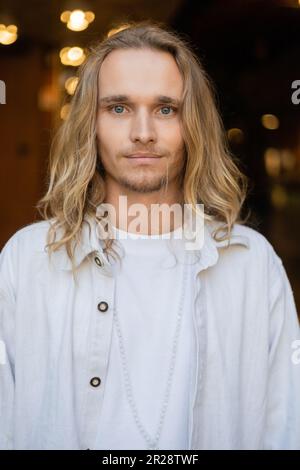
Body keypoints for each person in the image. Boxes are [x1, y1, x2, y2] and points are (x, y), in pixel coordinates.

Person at [0, 20, 299, 451]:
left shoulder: (253, 265)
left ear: (192, 124)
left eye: (165, 109)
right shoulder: (27, 260)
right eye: (118, 108)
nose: (143, 132)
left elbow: (286, 429)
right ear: (91, 124)